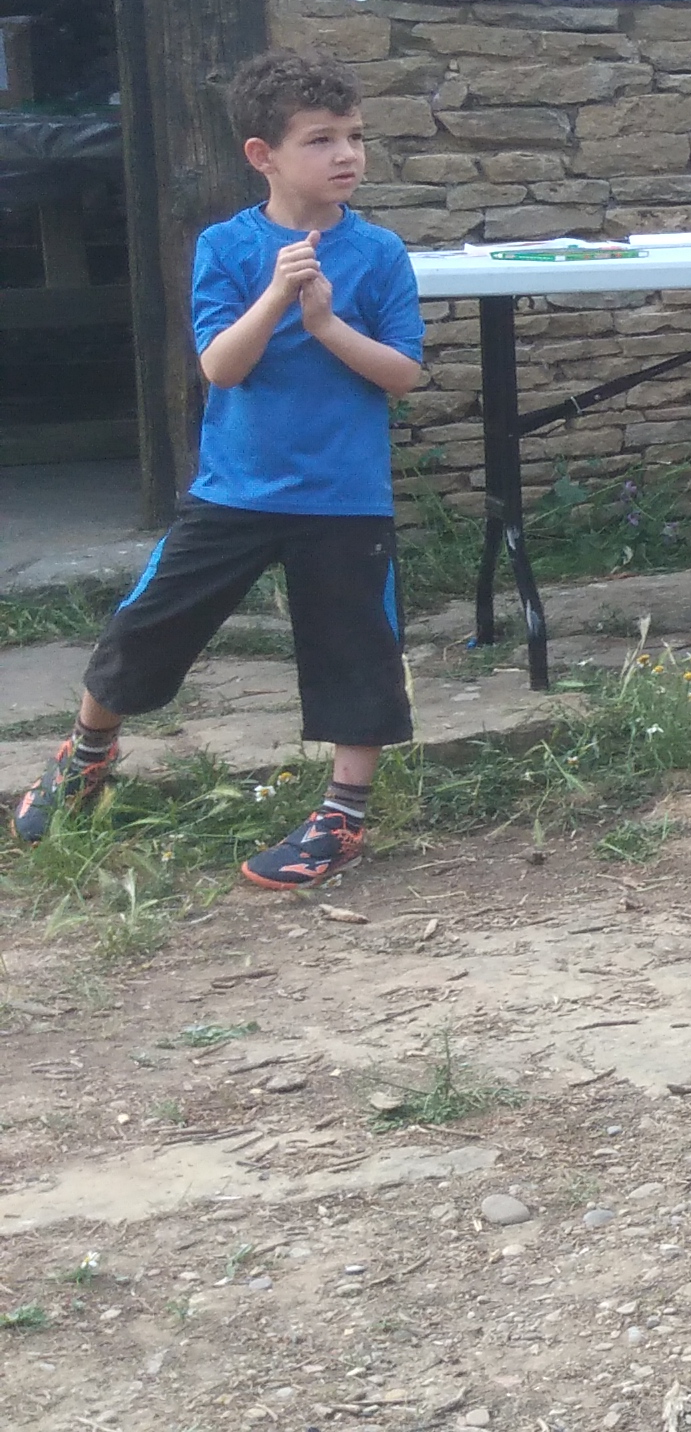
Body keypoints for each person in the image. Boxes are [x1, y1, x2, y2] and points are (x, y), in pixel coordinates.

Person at [10, 50, 423, 887]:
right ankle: (88, 755)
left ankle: (343, 816)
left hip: (344, 497)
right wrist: (276, 298)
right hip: (235, 489)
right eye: (320, 140)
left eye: (354, 137)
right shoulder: (228, 246)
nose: (346, 155)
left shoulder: (379, 254)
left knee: (357, 649)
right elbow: (220, 367)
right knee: (148, 623)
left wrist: (328, 324)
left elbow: (403, 374)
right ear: (261, 155)